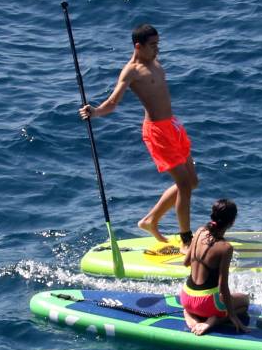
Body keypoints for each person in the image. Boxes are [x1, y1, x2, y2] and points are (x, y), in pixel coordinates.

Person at [79, 22, 199, 252]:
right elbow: (113, 102)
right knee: (183, 184)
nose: (157, 49)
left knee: (191, 182)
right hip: (157, 132)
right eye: (152, 45)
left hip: (173, 126)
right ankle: (186, 240)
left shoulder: (154, 62)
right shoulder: (131, 71)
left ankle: (150, 221)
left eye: (158, 44)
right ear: (138, 46)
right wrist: (94, 112)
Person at [179, 198, 251, 335]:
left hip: (186, 297)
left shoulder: (200, 231)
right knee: (244, 301)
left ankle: (189, 314)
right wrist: (232, 315)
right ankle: (212, 321)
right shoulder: (225, 247)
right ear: (232, 222)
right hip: (206, 303)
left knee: (198, 303)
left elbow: (186, 262)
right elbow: (222, 286)